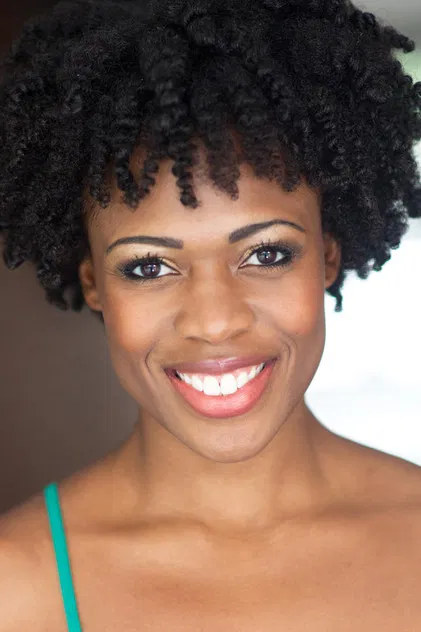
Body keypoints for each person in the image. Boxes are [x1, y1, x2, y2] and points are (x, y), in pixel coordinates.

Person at [0, 0, 421, 629]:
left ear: (327, 257)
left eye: (267, 254)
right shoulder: (15, 588)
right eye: (148, 267)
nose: (216, 321)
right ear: (94, 284)